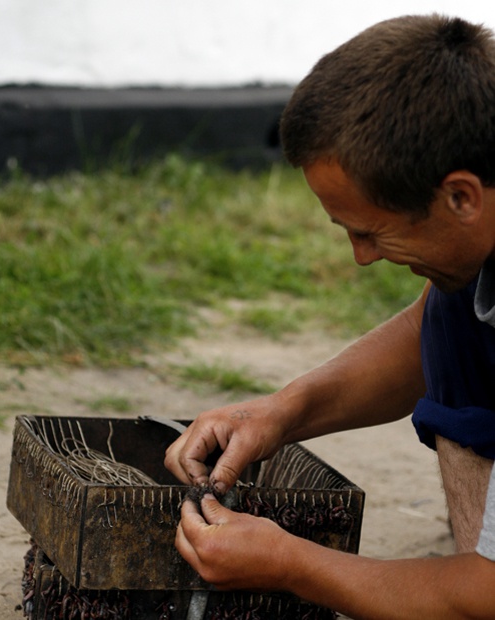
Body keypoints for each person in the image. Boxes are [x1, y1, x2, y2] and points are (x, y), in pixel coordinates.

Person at [165, 13, 495, 618]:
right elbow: (430, 333)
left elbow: (489, 597)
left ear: (461, 196)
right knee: (454, 308)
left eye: (370, 233)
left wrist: (291, 564)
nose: (362, 259)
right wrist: (279, 412)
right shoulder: (474, 252)